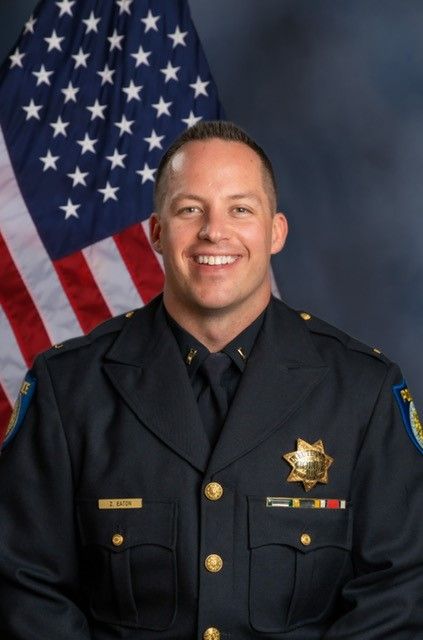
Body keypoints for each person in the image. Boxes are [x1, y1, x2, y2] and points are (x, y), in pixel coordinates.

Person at [0, 120, 422, 640]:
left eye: (240, 209)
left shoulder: (362, 392)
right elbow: (26, 587)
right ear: (157, 231)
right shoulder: (68, 390)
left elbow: (399, 592)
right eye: (189, 209)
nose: (213, 232)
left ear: (275, 232)